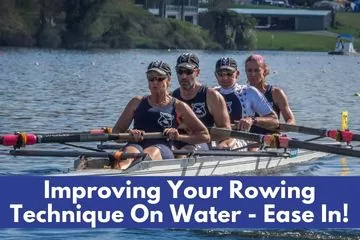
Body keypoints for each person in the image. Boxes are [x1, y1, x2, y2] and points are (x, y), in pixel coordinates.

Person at [112, 60, 210, 169]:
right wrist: (129, 135)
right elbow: (116, 133)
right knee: (127, 158)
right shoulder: (136, 102)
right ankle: (117, 175)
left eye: (160, 79)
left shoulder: (178, 106)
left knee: (147, 154)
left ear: (168, 80)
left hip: (162, 147)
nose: (155, 82)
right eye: (151, 78)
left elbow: (204, 136)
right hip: (136, 144)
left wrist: (179, 137)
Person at [213, 57, 280, 149]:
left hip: (242, 139)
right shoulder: (210, 93)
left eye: (229, 74)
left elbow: (275, 121)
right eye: (220, 74)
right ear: (215, 75)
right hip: (215, 138)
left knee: (223, 145)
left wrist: (253, 120)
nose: (225, 78)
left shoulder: (249, 92)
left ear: (237, 74)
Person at [171, 52, 232, 150]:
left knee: (187, 150)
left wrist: (198, 137)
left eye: (188, 71)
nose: (183, 76)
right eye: (180, 71)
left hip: (201, 143)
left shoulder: (212, 96)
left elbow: (226, 132)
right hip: (176, 142)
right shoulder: (172, 97)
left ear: (197, 72)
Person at [244, 54, 296, 134]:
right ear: (246, 72)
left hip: (270, 140)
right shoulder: (241, 92)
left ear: (264, 71)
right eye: (250, 70)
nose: (253, 74)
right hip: (247, 139)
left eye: (257, 70)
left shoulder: (276, 93)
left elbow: (291, 120)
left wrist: (280, 128)